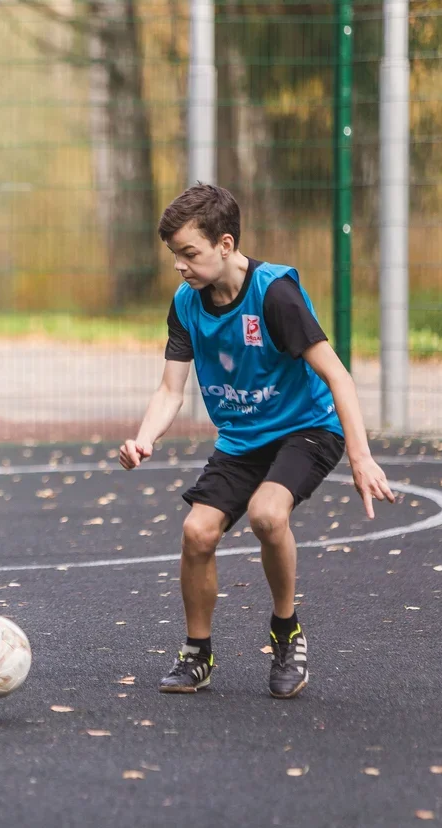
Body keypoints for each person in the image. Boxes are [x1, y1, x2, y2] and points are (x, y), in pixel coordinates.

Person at [119, 183, 395, 699]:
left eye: (189, 253)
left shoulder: (275, 294)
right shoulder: (187, 304)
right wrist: (143, 438)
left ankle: (286, 632)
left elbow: (339, 378)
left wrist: (361, 457)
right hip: (243, 438)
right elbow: (169, 390)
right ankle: (197, 653)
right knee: (197, 532)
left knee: (269, 514)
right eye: (174, 254)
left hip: (306, 429)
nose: (179, 265)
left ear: (225, 245)